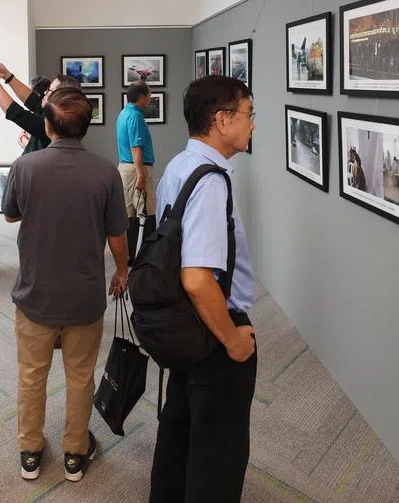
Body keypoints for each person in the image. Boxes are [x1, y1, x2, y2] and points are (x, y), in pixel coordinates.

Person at [2, 87, 129, 483]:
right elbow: (117, 235)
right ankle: (75, 453)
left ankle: (30, 452)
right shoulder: (106, 171)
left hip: (35, 293)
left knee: (31, 375)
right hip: (84, 297)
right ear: (85, 128)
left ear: (47, 125)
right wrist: (122, 271)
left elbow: (10, 215)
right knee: (80, 376)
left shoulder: (26, 167)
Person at [149, 75, 258, 503]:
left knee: (180, 425)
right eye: (249, 114)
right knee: (219, 451)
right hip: (213, 327)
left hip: (183, 323)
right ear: (222, 120)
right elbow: (197, 278)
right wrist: (231, 340)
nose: (253, 124)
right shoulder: (211, 181)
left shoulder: (180, 164)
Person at [0, 62, 79, 155]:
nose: (45, 92)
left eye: (49, 90)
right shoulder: (53, 115)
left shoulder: (54, 124)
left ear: (59, 97)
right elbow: (31, 100)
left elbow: (14, 112)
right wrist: (6, 75)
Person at [116, 81, 157, 264]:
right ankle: (144, 256)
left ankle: (131, 255)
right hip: (136, 169)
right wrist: (141, 175)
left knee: (130, 215)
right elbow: (136, 148)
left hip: (126, 168)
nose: (150, 98)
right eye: (149, 95)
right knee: (146, 212)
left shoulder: (124, 113)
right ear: (141, 97)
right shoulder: (135, 118)